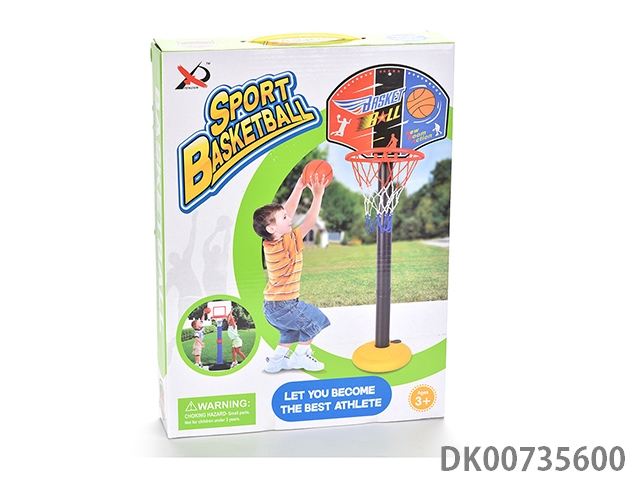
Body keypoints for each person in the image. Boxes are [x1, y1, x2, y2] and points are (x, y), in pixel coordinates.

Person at [252, 173, 330, 373]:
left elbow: (284, 212)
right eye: (285, 218)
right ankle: (300, 356)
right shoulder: (287, 242)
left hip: (271, 306)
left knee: (289, 332)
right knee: (315, 320)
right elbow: (309, 222)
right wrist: (318, 195)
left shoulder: (270, 243)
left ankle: (276, 361)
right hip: (285, 305)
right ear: (271, 228)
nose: (290, 218)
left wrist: (299, 186)